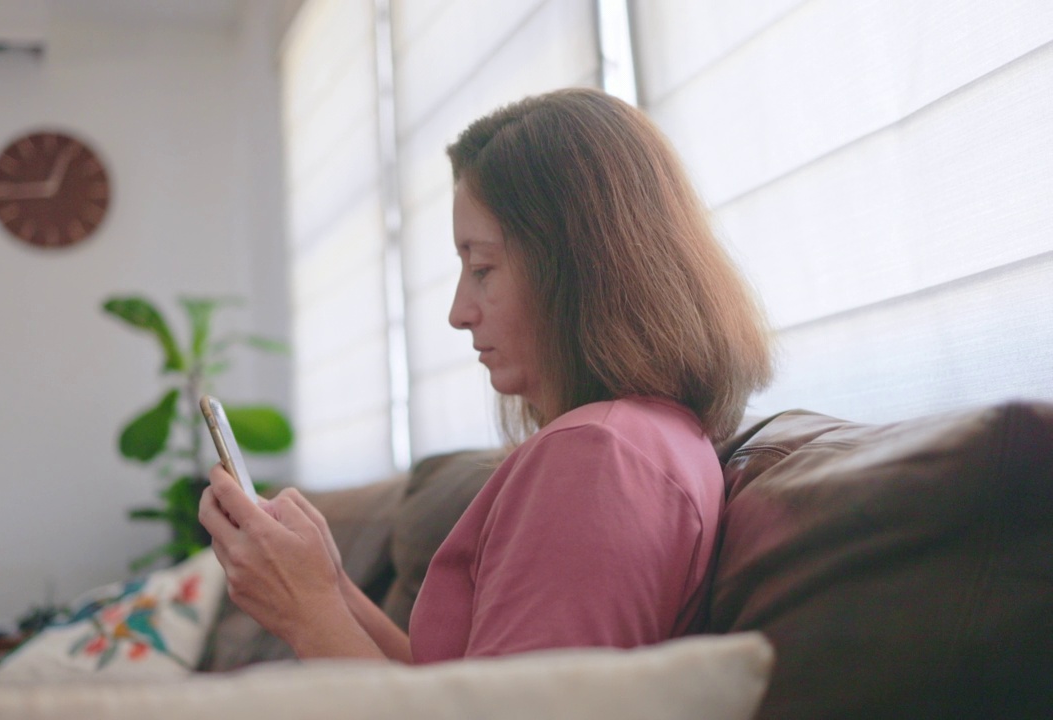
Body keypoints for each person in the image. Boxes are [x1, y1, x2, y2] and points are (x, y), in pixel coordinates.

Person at [198, 87, 773, 663]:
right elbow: (452, 694)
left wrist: (304, 609)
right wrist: (332, 587)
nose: (458, 312)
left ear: (575, 268)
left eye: (482, 268)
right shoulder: (640, 440)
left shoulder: (599, 458)